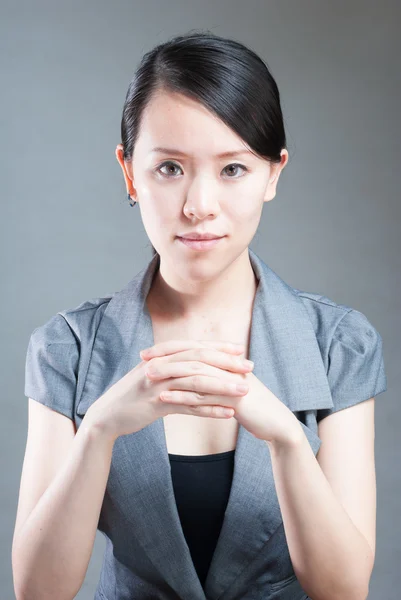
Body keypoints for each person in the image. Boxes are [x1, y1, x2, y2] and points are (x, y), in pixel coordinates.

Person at [12, 30, 387, 600]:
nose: (199, 205)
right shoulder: (68, 348)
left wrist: (287, 439)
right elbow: (38, 591)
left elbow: (344, 589)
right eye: (169, 168)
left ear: (274, 174)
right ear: (130, 172)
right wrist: (99, 432)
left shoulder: (340, 344)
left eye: (233, 169)